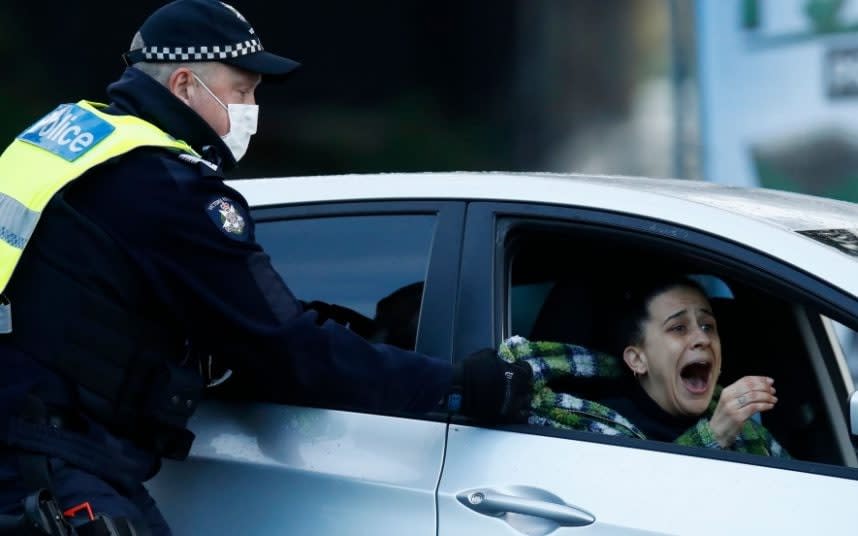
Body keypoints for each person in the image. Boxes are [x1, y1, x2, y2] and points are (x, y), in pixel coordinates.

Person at [0, 1, 531, 534]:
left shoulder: (68, 139)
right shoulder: (165, 189)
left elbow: (101, 295)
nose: (253, 108)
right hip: (53, 461)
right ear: (185, 85)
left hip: (35, 446)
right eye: (242, 91)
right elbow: (287, 347)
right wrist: (458, 385)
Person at [499, 274, 787, 457]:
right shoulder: (594, 430)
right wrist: (715, 436)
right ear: (637, 358)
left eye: (708, 325)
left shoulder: (744, 428)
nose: (701, 338)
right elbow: (640, 507)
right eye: (678, 328)